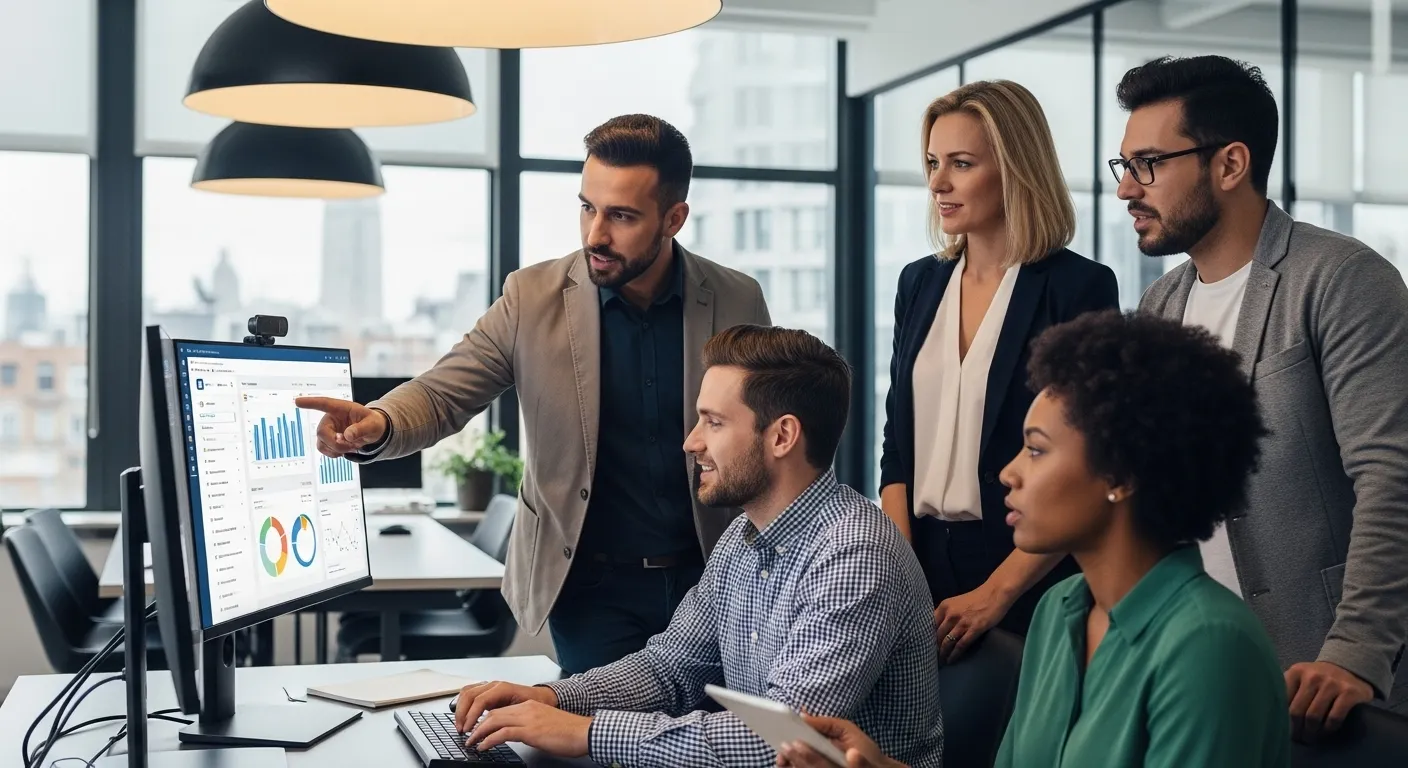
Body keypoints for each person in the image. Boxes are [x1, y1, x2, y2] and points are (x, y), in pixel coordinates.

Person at [296, 114, 773, 674]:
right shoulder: (532, 297)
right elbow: (445, 393)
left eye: (621, 216)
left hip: (716, 577)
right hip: (589, 587)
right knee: (599, 745)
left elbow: (771, 430)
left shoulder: (738, 298)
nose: (596, 234)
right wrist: (378, 422)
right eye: (587, 207)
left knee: (708, 747)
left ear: (674, 217)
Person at [778, 310, 1291, 768]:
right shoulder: (1060, 610)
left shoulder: (1210, 647)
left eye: (1037, 450)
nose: (1008, 473)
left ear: (1121, 475)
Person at [450, 325, 944, 768]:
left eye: (714, 422)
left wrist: (588, 733)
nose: (691, 442)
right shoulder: (742, 537)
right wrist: (552, 699)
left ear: (782, 436)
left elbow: (782, 742)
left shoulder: (855, 555)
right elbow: (669, 669)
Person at [1116, 55, 1408, 731]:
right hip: (1200, 672)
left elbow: (1393, 476)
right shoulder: (1160, 306)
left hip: (1325, 683)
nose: (1127, 189)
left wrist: (1356, 652)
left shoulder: (1340, 280)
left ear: (1229, 164)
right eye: (1124, 165)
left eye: (1149, 164)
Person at [879, 79, 1119, 661]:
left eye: (961, 164)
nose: (938, 182)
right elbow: (896, 445)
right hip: (919, 563)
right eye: (934, 162)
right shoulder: (919, 282)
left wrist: (997, 592)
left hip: (1030, 571)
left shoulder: (1077, 287)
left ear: (1014, 168)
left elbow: (1091, 464)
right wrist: (902, 575)